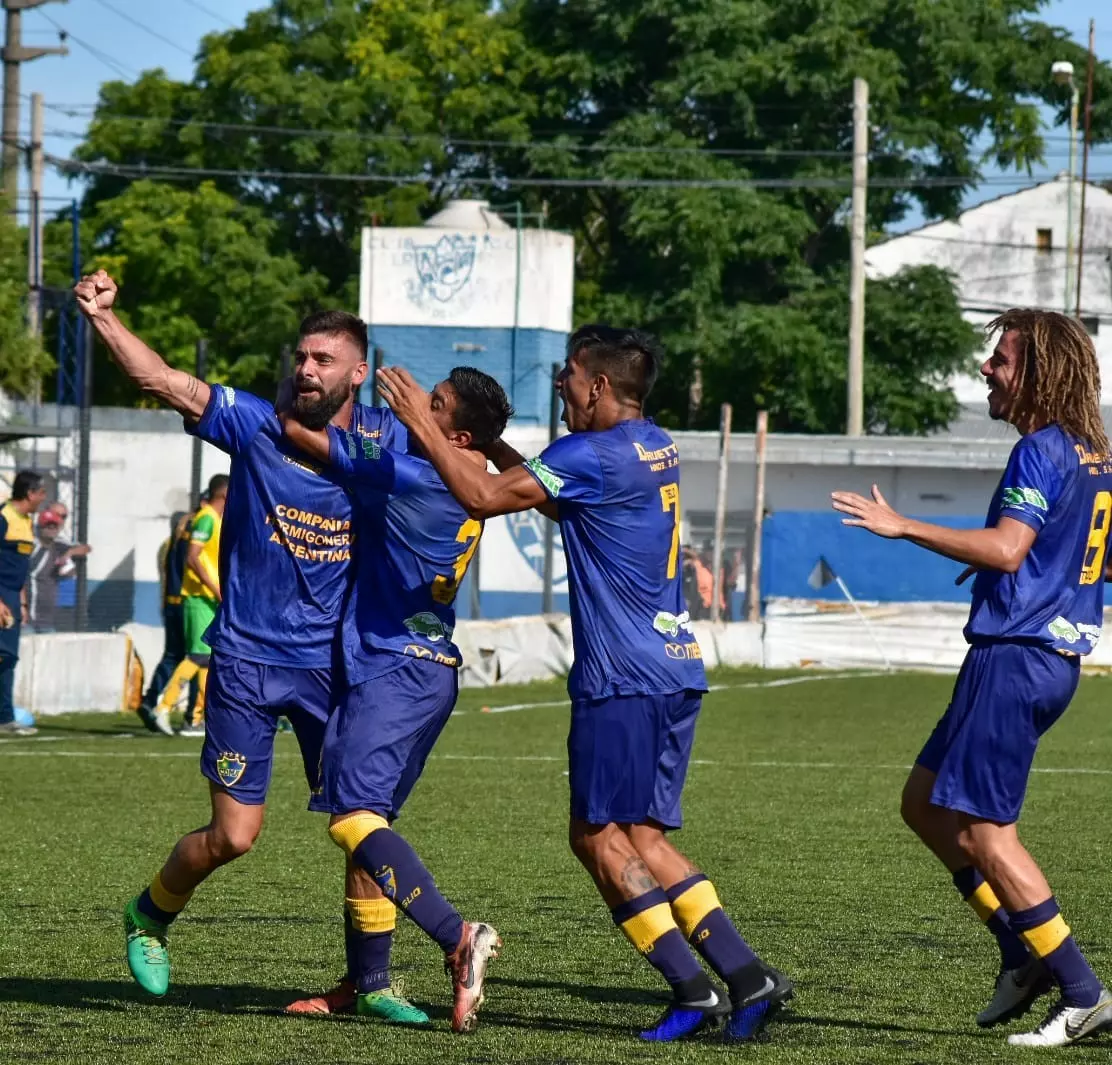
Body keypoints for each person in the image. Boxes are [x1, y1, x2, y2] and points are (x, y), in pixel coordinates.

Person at [376, 326, 792, 1043]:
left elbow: (479, 496)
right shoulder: (651, 442)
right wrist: (501, 453)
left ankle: (692, 989)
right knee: (645, 839)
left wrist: (422, 420)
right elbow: (552, 493)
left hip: (622, 676)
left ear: (598, 385)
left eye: (569, 376)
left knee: (596, 838)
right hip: (674, 665)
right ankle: (748, 976)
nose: (562, 388)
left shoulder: (587, 453)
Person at [73, 269, 418, 1024]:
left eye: (324, 359)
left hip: (338, 667)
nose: (306, 368)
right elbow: (163, 379)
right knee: (235, 835)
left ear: (357, 372)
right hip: (247, 663)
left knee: (365, 821)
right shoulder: (254, 422)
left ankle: (375, 980)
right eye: (302, 355)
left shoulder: (385, 439)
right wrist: (103, 318)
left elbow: (460, 466)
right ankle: (149, 913)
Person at [832, 309, 1112, 1048]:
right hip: (1042, 659)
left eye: (1003, 361)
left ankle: (1083, 991)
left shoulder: (1042, 452)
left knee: (986, 832)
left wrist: (906, 525)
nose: (987, 369)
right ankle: (1023, 950)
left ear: (1040, 373)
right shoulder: (1091, 454)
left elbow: (1010, 549)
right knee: (924, 803)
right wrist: (1029, 562)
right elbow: (1084, 555)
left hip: (1016, 659)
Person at [279, 365, 514, 1032]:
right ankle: (368, 978)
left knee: (352, 819)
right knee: (370, 830)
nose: (411, 403)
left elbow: (303, 434)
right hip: (425, 668)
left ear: (459, 433)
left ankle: (456, 934)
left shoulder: (417, 474)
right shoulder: (463, 475)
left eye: (430, 403)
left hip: (394, 669)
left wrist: (294, 390)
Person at [156, 477, 227, 738]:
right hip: (198, 598)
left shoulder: (216, 520)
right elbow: (192, 557)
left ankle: (195, 719)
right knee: (197, 657)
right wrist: (214, 587)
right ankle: (163, 706)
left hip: (208, 599)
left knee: (207, 661)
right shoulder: (206, 518)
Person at [137, 510, 193, 735]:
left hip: (169, 603)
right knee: (199, 657)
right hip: (188, 603)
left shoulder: (167, 545)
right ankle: (193, 715)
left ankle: (150, 699)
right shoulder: (189, 543)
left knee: (172, 656)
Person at [0, 471, 47, 736]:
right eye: (41, 493)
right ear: (30, 494)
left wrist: (23, 601)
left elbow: (20, 566)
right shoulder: (3, 517)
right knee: (3, 655)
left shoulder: (26, 521)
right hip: (1, 595)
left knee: (8, 658)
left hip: (12, 597)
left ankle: (5, 718)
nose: (43, 498)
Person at [28, 504, 91, 632]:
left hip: (48, 620)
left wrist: (69, 554)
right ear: (40, 526)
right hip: (28, 618)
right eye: (48, 525)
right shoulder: (31, 544)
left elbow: (86, 548)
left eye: (63, 517)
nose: (52, 529)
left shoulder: (59, 545)